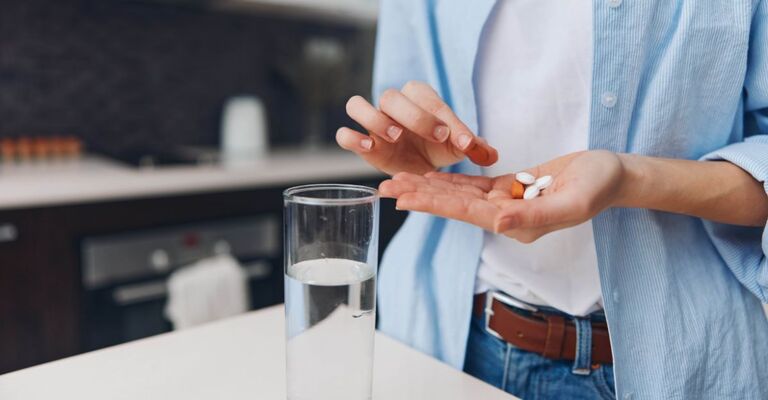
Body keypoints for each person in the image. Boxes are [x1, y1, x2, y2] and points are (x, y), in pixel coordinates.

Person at [336, 1, 768, 399]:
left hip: (678, 363)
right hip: (445, 340)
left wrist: (628, 179)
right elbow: (401, 98)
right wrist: (412, 142)